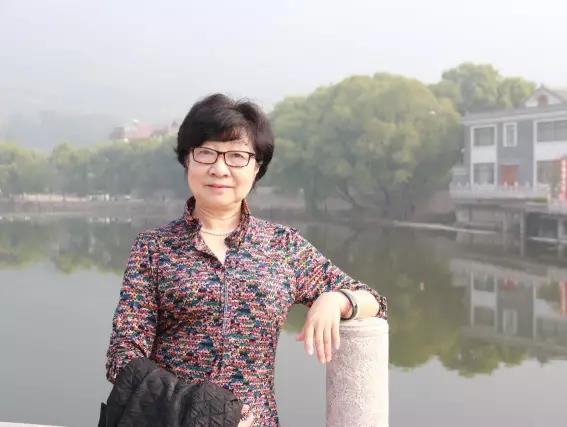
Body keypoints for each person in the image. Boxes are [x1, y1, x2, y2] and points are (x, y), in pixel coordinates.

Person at [105, 94, 388, 426]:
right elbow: (123, 358)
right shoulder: (154, 248)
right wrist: (208, 413)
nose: (219, 168)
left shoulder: (282, 246)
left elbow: (375, 301)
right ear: (187, 160)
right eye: (206, 153)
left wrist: (336, 299)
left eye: (237, 156)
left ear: (257, 167)